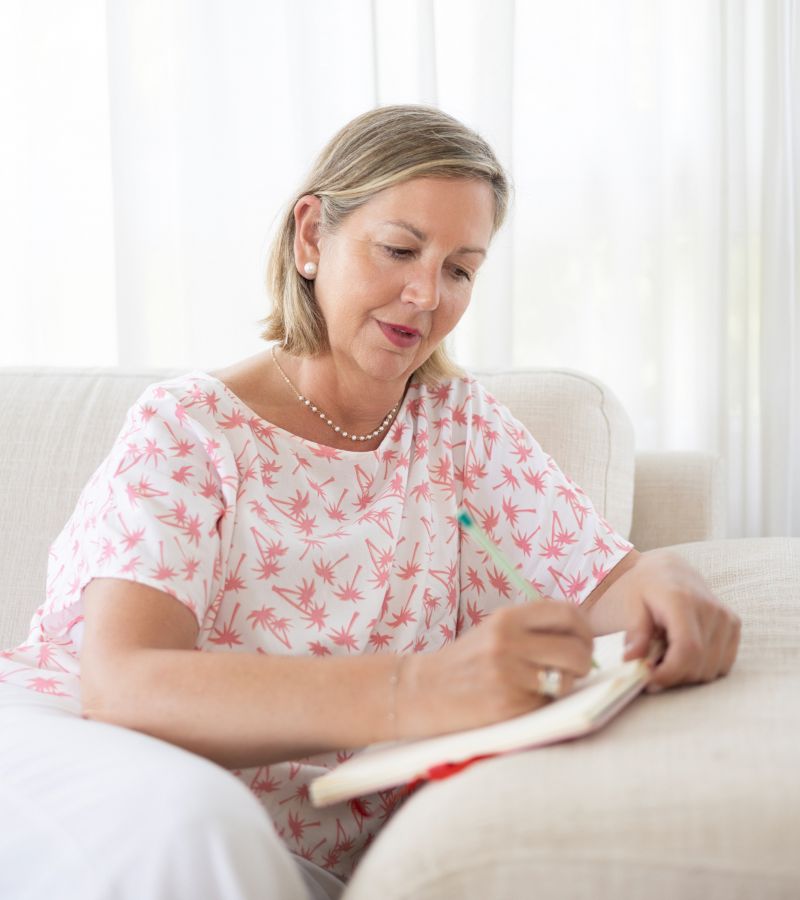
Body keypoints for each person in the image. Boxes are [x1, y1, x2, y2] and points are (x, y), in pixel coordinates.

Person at [0, 105, 740, 900]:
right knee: (197, 824)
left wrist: (669, 583)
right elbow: (125, 687)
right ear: (312, 238)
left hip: (286, 843)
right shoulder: (188, 428)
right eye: (399, 249)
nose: (426, 294)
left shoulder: (458, 427)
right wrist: (416, 690)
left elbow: (604, 585)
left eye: (460, 269)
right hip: (82, 752)